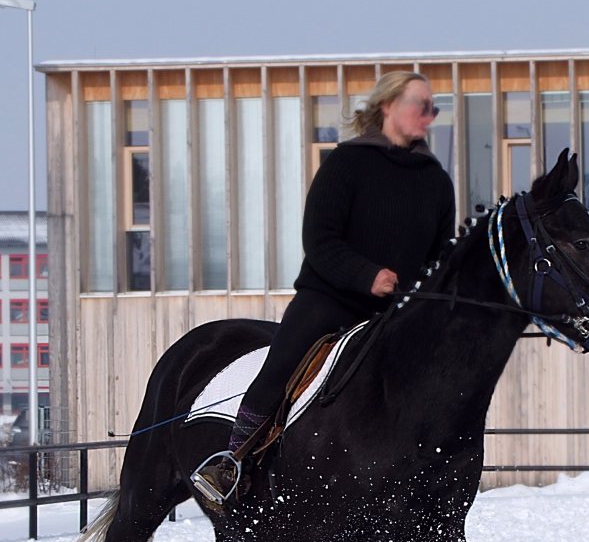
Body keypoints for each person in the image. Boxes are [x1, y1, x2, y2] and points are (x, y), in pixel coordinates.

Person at [192, 71, 456, 504]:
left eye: (432, 108)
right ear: (387, 106)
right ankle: (232, 461)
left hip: (396, 313)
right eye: (419, 105)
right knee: (280, 368)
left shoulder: (436, 180)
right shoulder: (347, 163)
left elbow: (439, 255)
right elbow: (320, 240)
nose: (427, 116)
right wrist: (366, 276)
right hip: (331, 298)